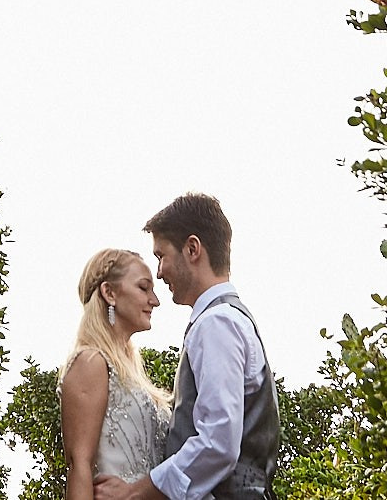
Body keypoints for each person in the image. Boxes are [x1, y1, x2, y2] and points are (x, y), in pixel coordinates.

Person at [95, 193, 279, 500]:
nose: (159, 271)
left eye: (161, 255)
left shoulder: (216, 323)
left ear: (192, 249)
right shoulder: (228, 318)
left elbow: (218, 443)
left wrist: (135, 493)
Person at [61, 248, 171, 500]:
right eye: (144, 288)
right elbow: (79, 466)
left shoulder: (134, 374)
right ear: (109, 293)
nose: (154, 300)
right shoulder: (90, 362)